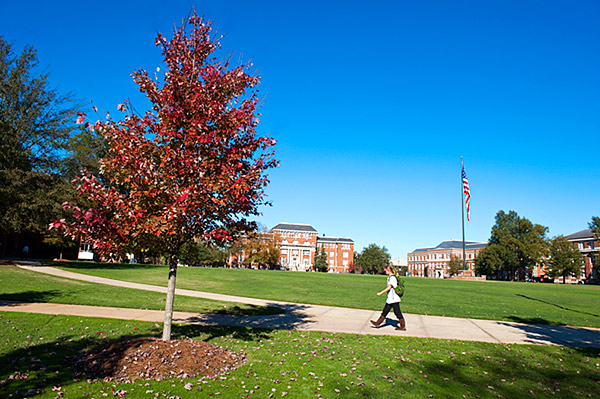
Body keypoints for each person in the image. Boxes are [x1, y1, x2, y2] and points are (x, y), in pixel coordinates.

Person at [370, 265, 406, 330]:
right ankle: (378, 323)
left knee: (397, 312)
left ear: (389, 270)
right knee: (385, 311)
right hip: (390, 299)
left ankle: (402, 326)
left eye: (385, 270)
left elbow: (389, 287)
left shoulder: (392, 278)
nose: (385, 271)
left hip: (394, 299)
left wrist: (381, 293)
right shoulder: (390, 277)